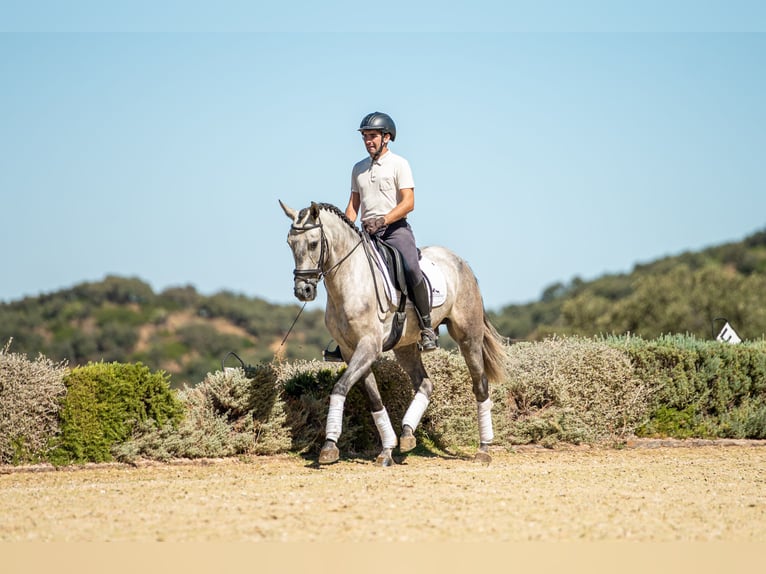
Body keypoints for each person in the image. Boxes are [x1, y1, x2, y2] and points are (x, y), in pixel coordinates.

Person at [344, 111, 437, 352]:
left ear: (386, 137)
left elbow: (409, 203)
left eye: (372, 136)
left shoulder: (399, 164)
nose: (368, 141)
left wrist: (383, 220)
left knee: (410, 268)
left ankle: (427, 328)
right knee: (346, 275)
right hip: (367, 234)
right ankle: (343, 335)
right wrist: (345, 230)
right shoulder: (358, 168)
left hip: (395, 230)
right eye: (365, 137)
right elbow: (353, 206)